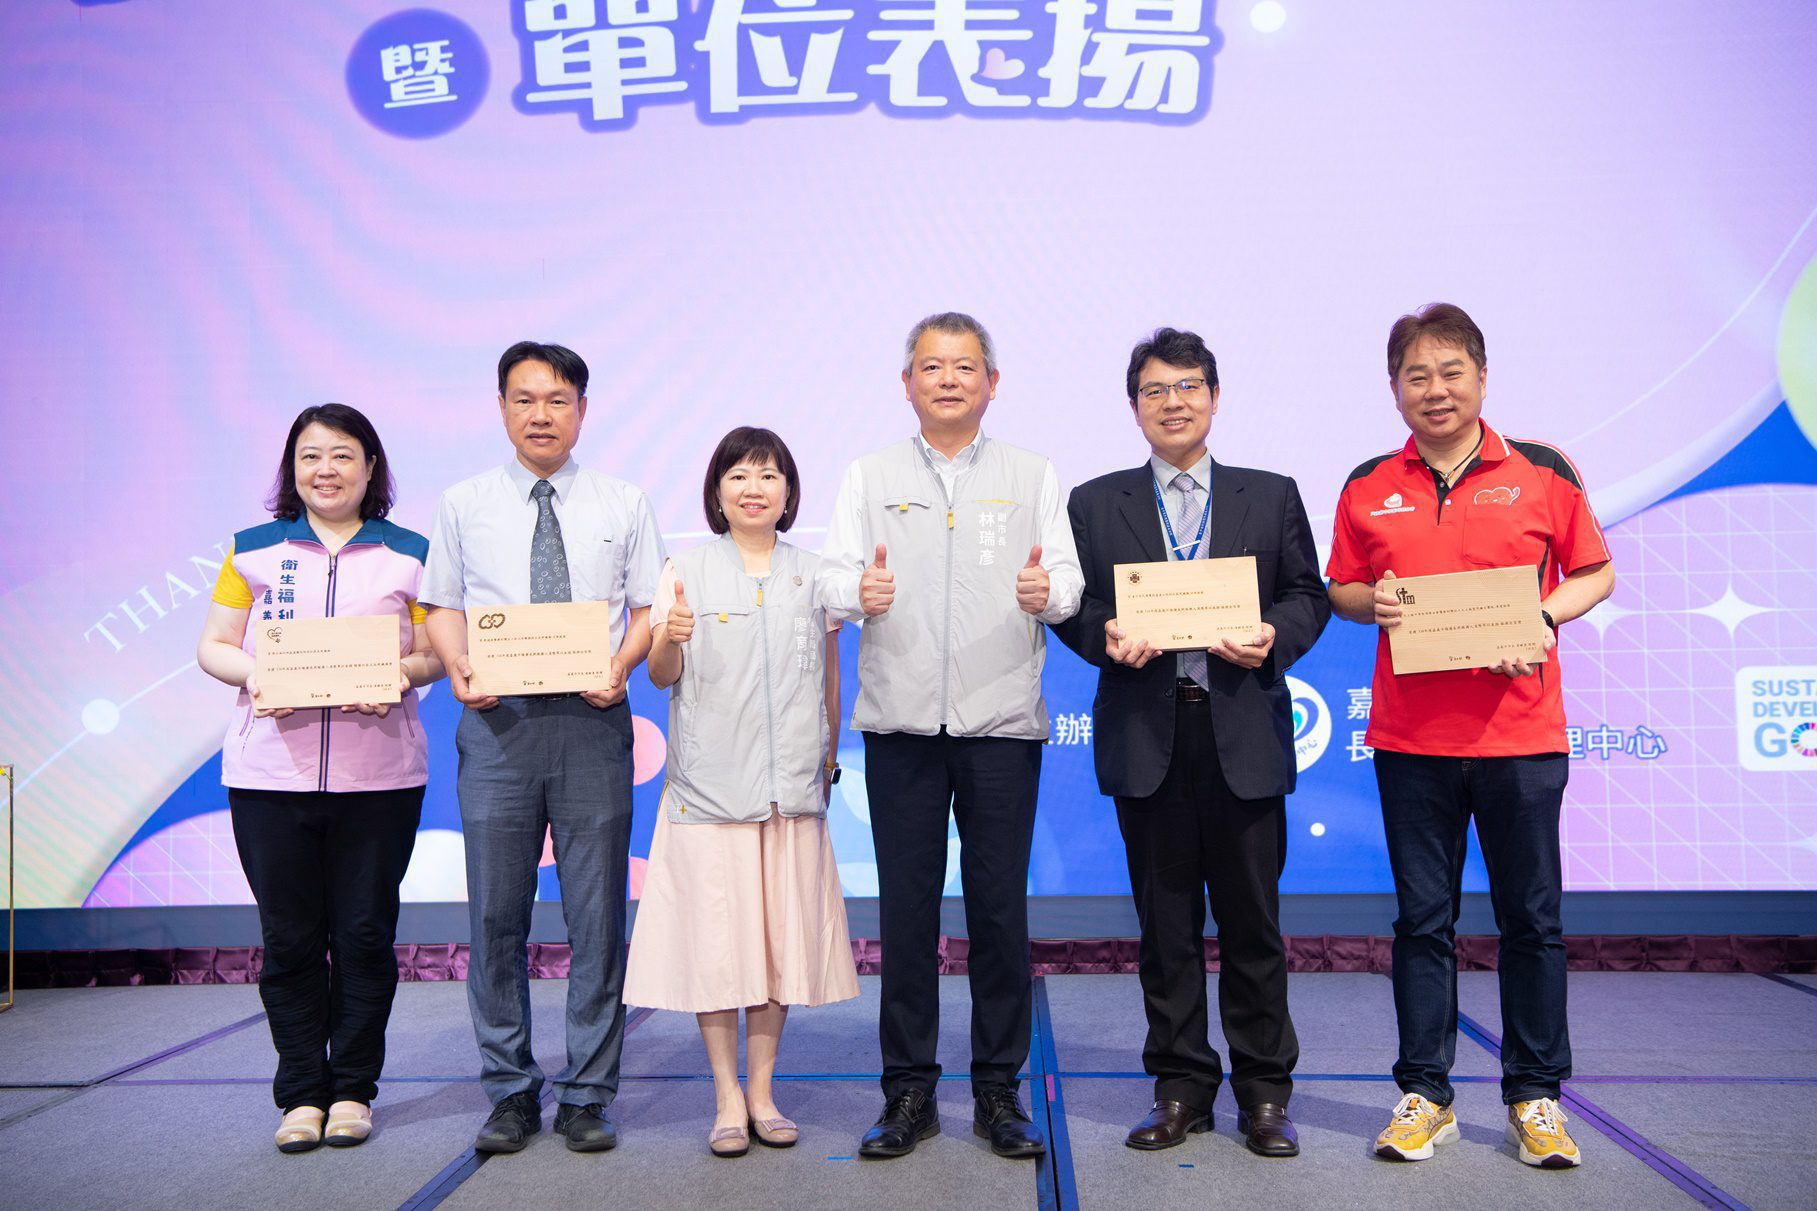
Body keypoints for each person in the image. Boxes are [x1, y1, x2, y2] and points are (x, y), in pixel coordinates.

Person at [1326, 303, 1615, 1169]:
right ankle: (1425, 1093)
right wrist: (1369, 601)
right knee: (1422, 921)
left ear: (1482, 377)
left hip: (1520, 736)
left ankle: (1535, 1095)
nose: (1435, 389)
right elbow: (1341, 586)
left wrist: (1541, 615)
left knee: (1531, 920)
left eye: (1450, 371)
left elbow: (1594, 570)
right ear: (1393, 389)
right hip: (1411, 741)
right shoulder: (1367, 481)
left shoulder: (1540, 469)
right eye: (1415, 375)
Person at [1050, 328, 1327, 1158]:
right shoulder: (1094, 502)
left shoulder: (1268, 494)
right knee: (1164, 929)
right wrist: (1104, 635)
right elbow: (1073, 606)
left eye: (1187, 386)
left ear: (1213, 396)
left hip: (1241, 730)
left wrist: (1270, 635)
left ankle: (1264, 1093)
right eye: (1155, 390)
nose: (1172, 402)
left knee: (1253, 926)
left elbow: (1306, 595)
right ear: (1133, 405)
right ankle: (1179, 1087)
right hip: (1148, 735)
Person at [816, 312, 1083, 1160]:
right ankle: (908, 1091)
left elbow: (1069, 580)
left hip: (1000, 724)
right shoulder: (870, 474)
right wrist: (856, 592)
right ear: (907, 383)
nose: (947, 379)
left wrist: (1049, 594)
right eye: (930, 366)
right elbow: (829, 577)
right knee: (906, 913)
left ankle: (999, 1089)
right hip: (901, 725)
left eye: (964, 366)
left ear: (991, 383)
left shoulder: (1031, 472)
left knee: (999, 912)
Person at [420, 341, 663, 1154]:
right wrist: (456, 662)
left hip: (592, 722)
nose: (540, 415)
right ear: (501, 408)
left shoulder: (623, 502)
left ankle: (588, 1092)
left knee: (596, 917)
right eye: (524, 399)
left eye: (557, 400)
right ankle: (510, 1089)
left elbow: (648, 607)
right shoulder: (463, 503)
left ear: (582, 410)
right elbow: (441, 603)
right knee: (496, 915)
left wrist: (622, 665)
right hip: (499, 725)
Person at [197, 403, 443, 1153]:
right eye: (310, 456)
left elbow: (436, 652)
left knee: (365, 935)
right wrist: (258, 673)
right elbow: (214, 645)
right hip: (269, 777)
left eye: (342, 455)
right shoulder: (251, 550)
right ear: (292, 468)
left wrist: (400, 674)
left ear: (370, 468)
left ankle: (354, 1089)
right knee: (289, 939)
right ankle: (302, 1092)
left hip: (380, 779)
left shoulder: (412, 553)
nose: (325, 470)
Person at [624, 427, 859, 1158]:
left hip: (790, 793)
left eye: (768, 474)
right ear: (717, 492)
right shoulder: (684, 569)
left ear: (788, 492)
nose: (753, 488)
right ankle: (726, 1096)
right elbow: (661, 675)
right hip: (710, 793)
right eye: (738, 475)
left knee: (778, 947)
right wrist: (670, 636)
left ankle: (763, 1092)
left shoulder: (815, 574)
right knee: (719, 949)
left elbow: (828, 677)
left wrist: (825, 760)